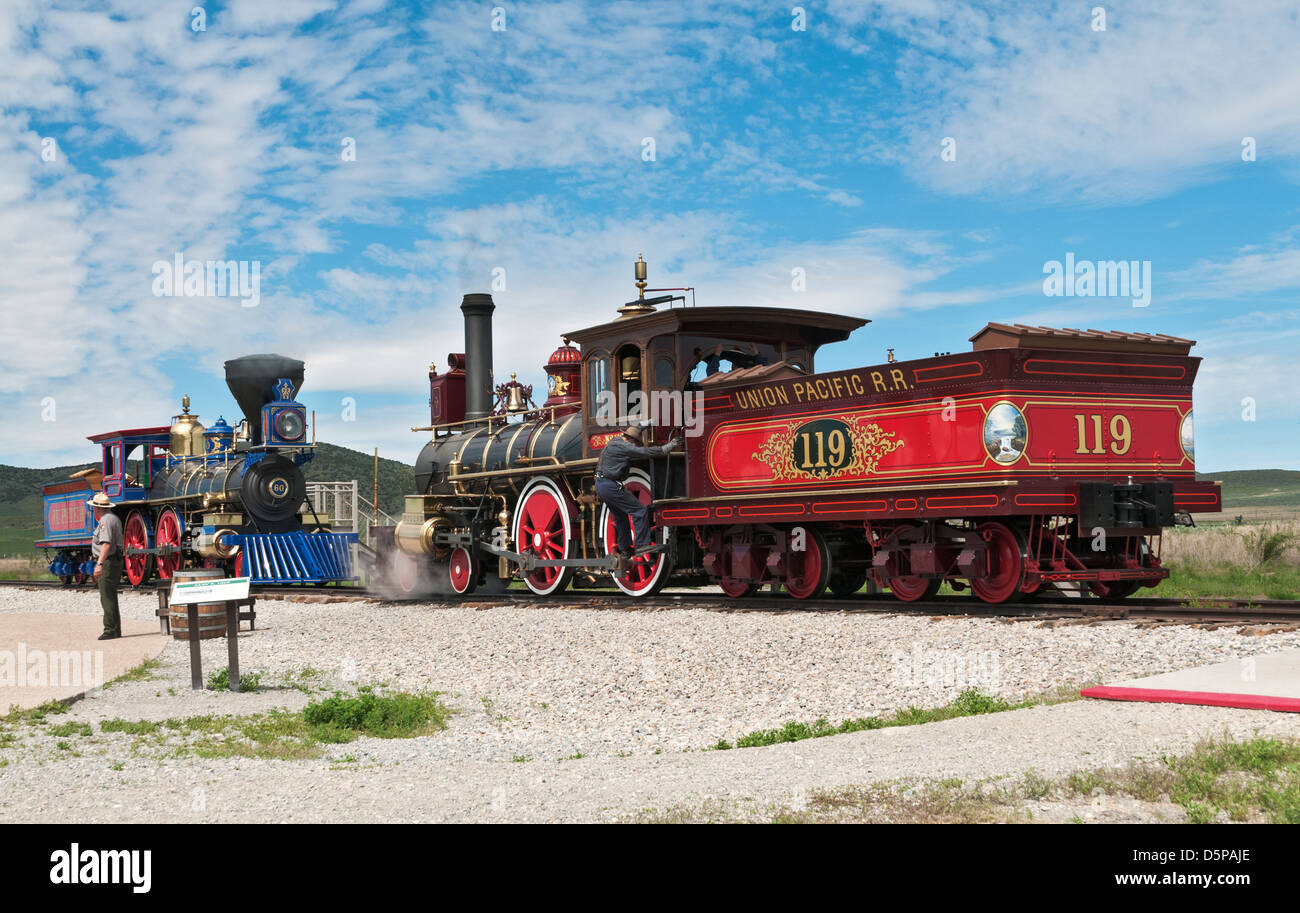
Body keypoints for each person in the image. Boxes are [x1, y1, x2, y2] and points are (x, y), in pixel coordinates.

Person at [594, 425, 681, 572]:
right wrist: (666, 447)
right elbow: (643, 452)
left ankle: (625, 549)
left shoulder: (613, 442)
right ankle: (641, 544)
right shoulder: (623, 446)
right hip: (609, 485)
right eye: (635, 442)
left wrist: (645, 424)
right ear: (631, 440)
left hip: (601, 485)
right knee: (639, 510)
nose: (634, 445)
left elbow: (636, 428)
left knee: (621, 517)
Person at [88, 492, 123, 640]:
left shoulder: (105, 521)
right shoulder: (112, 518)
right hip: (113, 560)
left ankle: (110, 629)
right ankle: (115, 629)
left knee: (107, 596)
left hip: (109, 561)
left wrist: (99, 564)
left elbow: (106, 544)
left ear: (97, 508)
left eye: (94, 507)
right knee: (110, 595)